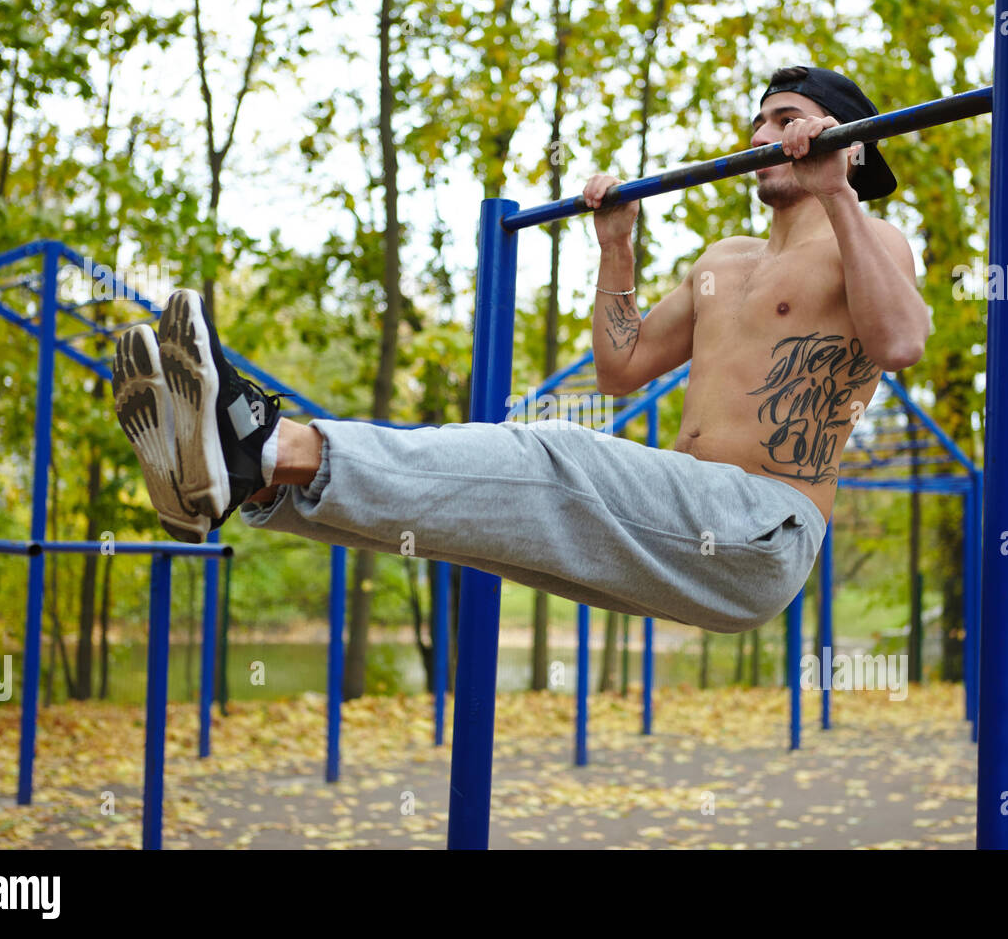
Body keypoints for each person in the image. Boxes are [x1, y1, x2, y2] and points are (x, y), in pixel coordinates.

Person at [111, 65, 928, 634]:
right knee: (486, 525)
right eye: (758, 120)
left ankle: (265, 441)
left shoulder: (869, 238)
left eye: (785, 119)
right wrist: (617, 247)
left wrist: (839, 194)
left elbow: (899, 342)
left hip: (762, 527)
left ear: (845, 140)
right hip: (685, 527)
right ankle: (253, 486)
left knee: (551, 455)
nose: (763, 135)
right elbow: (621, 369)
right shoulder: (725, 261)